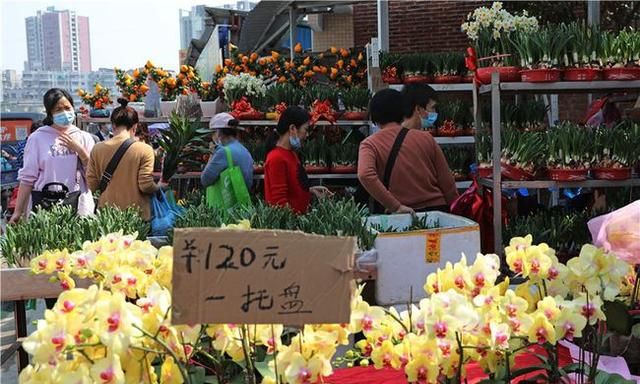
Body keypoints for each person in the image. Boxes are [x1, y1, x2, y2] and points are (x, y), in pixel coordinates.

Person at [357, 87, 458, 215]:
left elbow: (365, 174)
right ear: (402, 111)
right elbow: (447, 181)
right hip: (436, 210)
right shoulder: (426, 138)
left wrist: (395, 206)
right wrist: (456, 210)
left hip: (401, 216)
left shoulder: (369, 144)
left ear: (373, 114)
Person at [10, 88, 95, 223]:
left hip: (78, 206)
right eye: (58, 109)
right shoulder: (37, 138)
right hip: (44, 205)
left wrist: (80, 151)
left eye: (67, 107)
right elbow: (27, 178)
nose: (64, 113)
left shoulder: (84, 137)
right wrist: (18, 211)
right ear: (50, 113)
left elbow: (93, 176)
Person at [86, 98, 164, 221]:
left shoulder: (97, 149)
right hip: (137, 215)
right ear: (135, 126)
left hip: (107, 216)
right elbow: (145, 186)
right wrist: (159, 186)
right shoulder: (145, 149)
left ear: (113, 125)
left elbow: (92, 185)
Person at [264, 106, 332, 214]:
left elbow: (291, 188)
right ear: (292, 128)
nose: (307, 135)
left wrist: (310, 191)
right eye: (305, 129)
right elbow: (278, 203)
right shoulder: (276, 158)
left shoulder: (291, 154)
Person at [201, 113, 254, 189]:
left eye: (213, 132)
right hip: (242, 196)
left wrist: (212, 153)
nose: (212, 136)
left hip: (225, 199)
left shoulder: (222, 152)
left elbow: (205, 180)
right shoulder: (244, 150)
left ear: (219, 132)